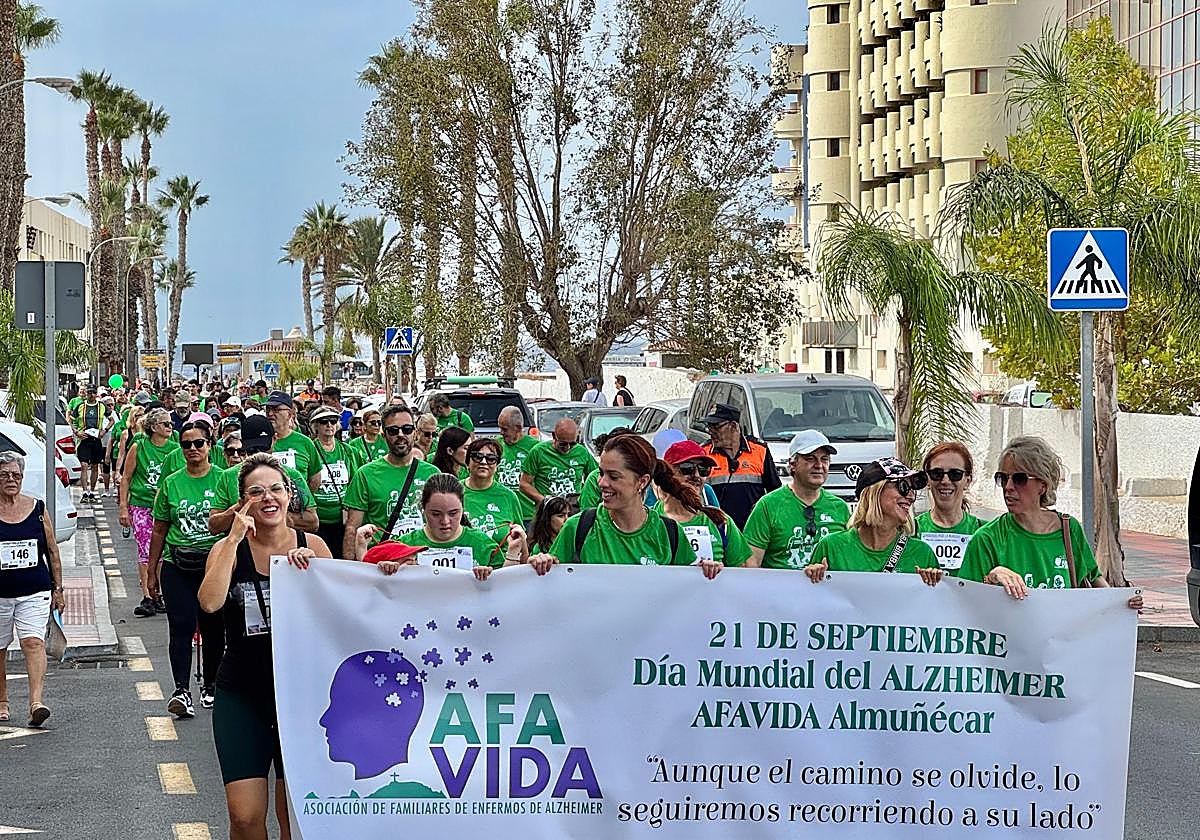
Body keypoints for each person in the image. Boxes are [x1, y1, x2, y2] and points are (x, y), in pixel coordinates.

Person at [198, 454, 331, 840]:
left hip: (301, 697)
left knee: (295, 815)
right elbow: (209, 602)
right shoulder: (228, 548)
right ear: (243, 502)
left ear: (290, 494)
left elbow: (339, 617)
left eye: (275, 488)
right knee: (244, 816)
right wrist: (234, 537)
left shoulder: (314, 545)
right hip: (242, 691)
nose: (267, 498)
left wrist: (315, 576)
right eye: (255, 492)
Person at [959, 436, 1142, 609]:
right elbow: (966, 601)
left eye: (1019, 479)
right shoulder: (987, 539)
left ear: (1043, 485)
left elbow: (1094, 580)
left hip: (1062, 640)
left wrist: (1122, 605)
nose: (1008, 487)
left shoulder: (1069, 529)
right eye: (1003, 478)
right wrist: (993, 576)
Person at [530, 435, 705, 573]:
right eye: (601, 473)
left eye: (613, 476)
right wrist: (542, 565)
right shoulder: (578, 527)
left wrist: (710, 574)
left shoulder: (669, 532)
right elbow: (550, 588)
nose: (602, 483)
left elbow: (690, 594)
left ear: (642, 482)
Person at [148, 421, 226, 718]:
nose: (192, 449)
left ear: (210, 446)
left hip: (214, 564)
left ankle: (211, 685)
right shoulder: (171, 482)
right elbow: (159, 528)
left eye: (199, 443)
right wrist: (152, 568)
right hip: (177, 562)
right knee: (180, 627)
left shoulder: (223, 479)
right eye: (186, 444)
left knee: (213, 627)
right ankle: (181, 689)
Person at [0, 452, 64, 727]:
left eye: (15, 475)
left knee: (33, 642)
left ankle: (36, 702)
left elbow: (51, 549)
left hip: (35, 590)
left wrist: (58, 589)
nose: (10, 480)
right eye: (4, 475)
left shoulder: (37, 508)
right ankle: (2, 701)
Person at [805, 458, 942, 584]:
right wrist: (813, 577)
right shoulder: (831, 548)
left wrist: (933, 583)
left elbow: (934, 607)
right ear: (875, 491)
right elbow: (812, 603)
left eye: (913, 490)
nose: (911, 496)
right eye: (903, 486)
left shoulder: (922, 553)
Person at [356, 474, 521, 578]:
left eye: (453, 513)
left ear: (463, 508)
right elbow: (368, 586)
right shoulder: (404, 545)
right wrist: (386, 569)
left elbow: (505, 590)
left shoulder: (483, 544)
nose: (445, 521)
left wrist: (512, 553)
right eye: (435, 514)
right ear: (423, 509)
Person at [341, 405, 441, 560]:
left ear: (415, 433)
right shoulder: (366, 474)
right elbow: (352, 528)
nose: (401, 435)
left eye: (407, 429)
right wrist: (350, 572)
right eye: (393, 431)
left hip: (423, 560)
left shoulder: (432, 473)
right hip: (382, 562)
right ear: (384, 434)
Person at [744, 430, 850, 570]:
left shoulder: (840, 508)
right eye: (810, 459)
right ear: (793, 464)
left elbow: (849, 559)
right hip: (781, 590)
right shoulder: (768, 505)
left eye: (824, 459)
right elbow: (751, 563)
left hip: (827, 589)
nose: (819, 465)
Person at [208, 415, 318, 537]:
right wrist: (242, 505)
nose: (258, 454)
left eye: (263, 448)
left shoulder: (292, 474)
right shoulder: (228, 476)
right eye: (252, 450)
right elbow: (214, 526)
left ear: (274, 440)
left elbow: (313, 522)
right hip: (245, 549)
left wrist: (275, 515)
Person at [120, 407, 181, 617]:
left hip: (166, 507)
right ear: (154, 427)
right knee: (146, 551)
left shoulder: (175, 449)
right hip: (142, 504)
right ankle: (148, 596)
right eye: (165, 424)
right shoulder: (139, 446)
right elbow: (126, 477)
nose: (170, 427)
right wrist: (123, 507)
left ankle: (160, 593)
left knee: (164, 553)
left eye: (171, 424)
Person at [656, 440, 752, 567]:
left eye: (703, 469)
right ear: (668, 473)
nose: (696, 475)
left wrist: (720, 571)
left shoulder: (720, 521)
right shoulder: (650, 521)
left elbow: (742, 571)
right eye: (687, 468)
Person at [700, 403, 781, 528]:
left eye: (716, 427)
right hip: (718, 528)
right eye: (709, 427)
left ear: (733, 426)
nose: (711, 432)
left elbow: (775, 491)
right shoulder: (703, 453)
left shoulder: (759, 450)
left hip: (753, 528)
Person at [915, 441, 983, 573]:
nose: (945, 481)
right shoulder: (911, 531)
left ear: (967, 481)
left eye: (955, 474)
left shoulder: (985, 532)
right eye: (937, 474)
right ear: (928, 480)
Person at [308, 405, 357, 558]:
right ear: (316, 426)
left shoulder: (347, 450)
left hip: (341, 519)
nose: (329, 425)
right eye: (324, 421)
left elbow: (354, 482)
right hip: (318, 520)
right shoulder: (310, 449)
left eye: (333, 420)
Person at [462, 438, 525, 543]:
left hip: (503, 558)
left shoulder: (509, 496)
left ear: (497, 465)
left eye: (491, 459)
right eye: (477, 457)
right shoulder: (454, 492)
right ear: (468, 461)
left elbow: (519, 539)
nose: (483, 462)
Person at [520, 418, 597, 504]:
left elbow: (595, 477)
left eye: (572, 444)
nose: (567, 448)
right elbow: (524, 484)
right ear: (554, 436)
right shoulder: (538, 452)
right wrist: (544, 501)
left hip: (573, 507)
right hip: (549, 510)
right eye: (563, 444)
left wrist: (585, 498)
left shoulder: (582, 452)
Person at [264, 391, 322, 491]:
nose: (270, 414)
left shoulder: (305, 442)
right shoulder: (259, 441)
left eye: (276, 410)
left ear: (290, 414)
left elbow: (315, 478)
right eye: (267, 409)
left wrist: (303, 499)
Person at [495, 406, 538, 524]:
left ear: (518, 428)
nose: (501, 432)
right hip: (502, 513)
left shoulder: (534, 448)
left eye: (505, 429)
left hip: (527, 514)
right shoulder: (497, 445)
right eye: (500, 428)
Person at [72, 385, 112, 505]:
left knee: (95, 466)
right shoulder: (80, 406)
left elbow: (111, 420)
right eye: (89, 392)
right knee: (84, 465)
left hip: (96, 440)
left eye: (93, 392)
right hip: (84, 439)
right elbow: (71, 420)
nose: (91, 395)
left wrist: (104, 431)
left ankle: (93, 491)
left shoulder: (101, 406)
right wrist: (77, 432)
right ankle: (85, 491)